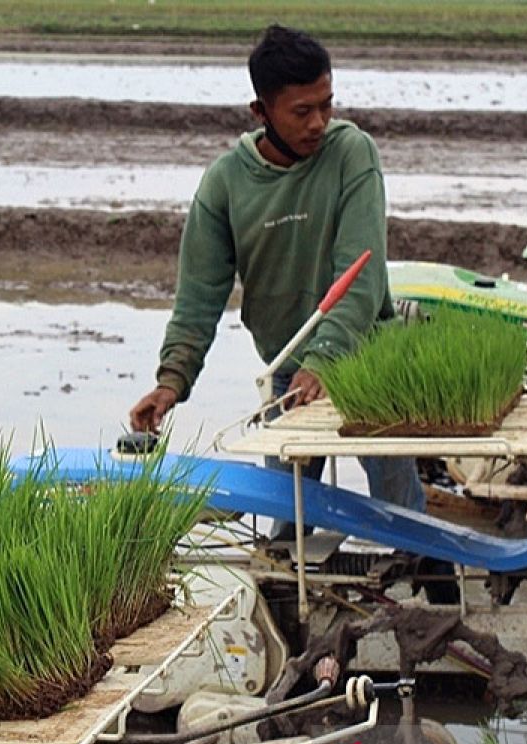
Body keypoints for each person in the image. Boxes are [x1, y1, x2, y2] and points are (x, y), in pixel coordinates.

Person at [128, 23, 425, 534]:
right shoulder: (225, 184)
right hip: (289, 372)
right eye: (302, 111)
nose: (319, 123)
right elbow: (199, 295)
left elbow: (360, 270)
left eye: (326, 105)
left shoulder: (351, 153)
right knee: (287, 518)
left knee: (401, 512)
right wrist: (171, 380)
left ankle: (433, 587)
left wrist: (325, 361)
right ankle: (290, 606)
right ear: (260, 112)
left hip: (370, 360)